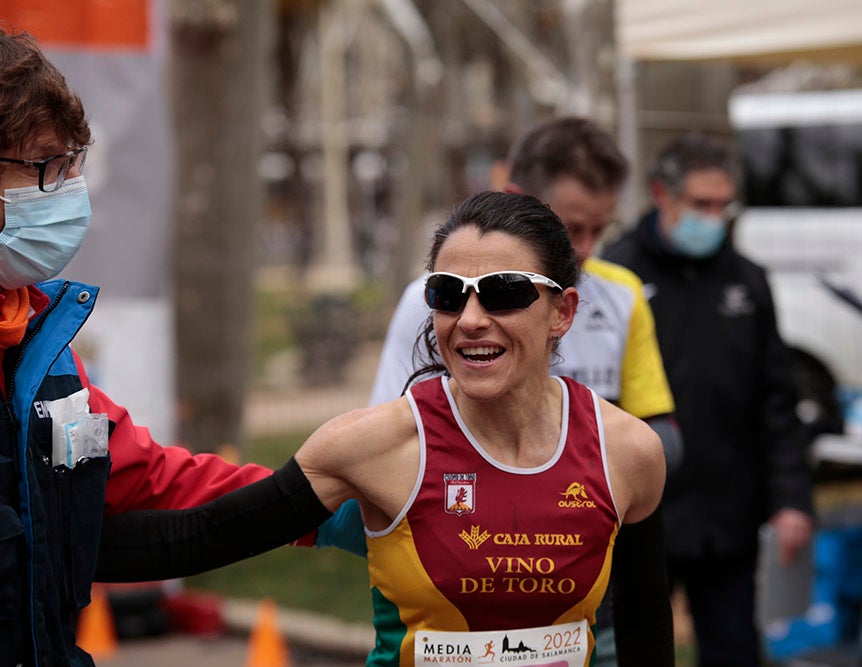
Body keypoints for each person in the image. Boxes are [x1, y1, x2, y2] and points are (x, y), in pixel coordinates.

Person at [97, 190, 673, 667]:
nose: (471, 320)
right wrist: (35, 552)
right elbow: (203, 537)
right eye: (448, 295)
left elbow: (647, 634)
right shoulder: (373, 445)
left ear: (563, 312)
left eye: (504, 292)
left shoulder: (627, 453)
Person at [0, 28, 358, 667]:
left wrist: (314, 503)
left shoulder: (34, 335)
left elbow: (142, 482)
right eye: (48, 168)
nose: (73, 186)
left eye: (75, 161)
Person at [366, 116, 680, 664]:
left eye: (597, 230)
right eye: (568, 227)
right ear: (516, 198)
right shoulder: (435, 298)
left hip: (591, 593)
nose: (580, 249)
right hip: (466, 592)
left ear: (564, 314)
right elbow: (384, 450)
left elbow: (658, 431)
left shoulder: (622, 294)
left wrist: (585, 463)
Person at [603, 132, 814, 667]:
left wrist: (792, 499)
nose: (714, 218)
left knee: (735, 650)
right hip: (640, 519)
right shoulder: (616, 277)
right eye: (702, 204)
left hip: (730, 518)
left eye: (724, 205)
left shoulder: (749, 281)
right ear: (662, 195)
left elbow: (777, 400)